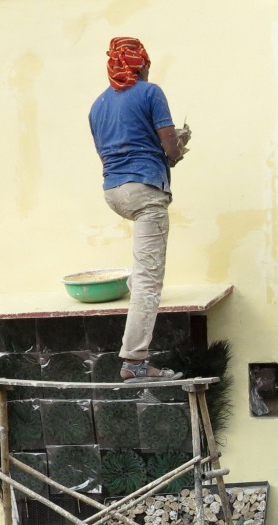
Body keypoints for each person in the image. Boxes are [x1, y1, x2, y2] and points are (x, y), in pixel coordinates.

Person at [89, 36, 189, 383]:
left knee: (141, 271)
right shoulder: (150, 92)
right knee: (148, 280)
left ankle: (134, 344)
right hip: (145, 190)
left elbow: (110, 152)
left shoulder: (97, 106)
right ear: (141, 64)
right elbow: (168, 146)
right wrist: (178, 147)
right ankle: (133, 362)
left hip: (114, 191)